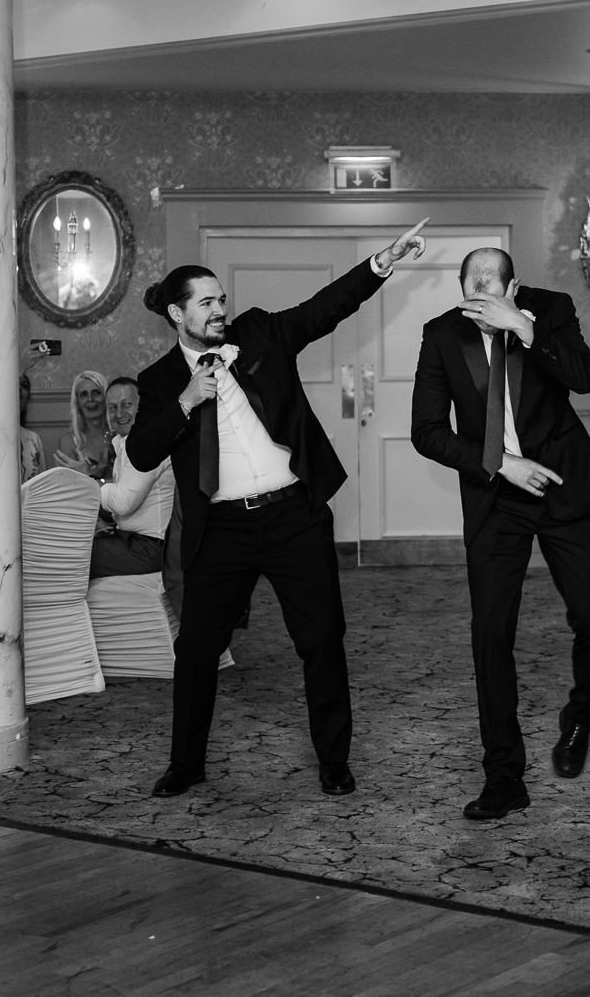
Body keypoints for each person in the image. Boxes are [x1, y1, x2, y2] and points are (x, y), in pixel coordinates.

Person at [130, 218, 430, 800]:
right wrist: (187, 403)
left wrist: (381, 263)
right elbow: (142, 452)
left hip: (293, 517)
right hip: (222, 529)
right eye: (207, 302)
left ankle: (334, 761)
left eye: (222, 298)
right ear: (176, 314)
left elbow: (325, 309)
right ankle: (186, 763)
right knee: (194, 649)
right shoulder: (159, 381)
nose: (220, 308)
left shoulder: (261, 334)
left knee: (320, 639)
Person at [410, 247, 590, 821]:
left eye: (492, 289)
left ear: (514, 286)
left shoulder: (549, 310)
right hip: (496, 495)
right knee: (490, 634)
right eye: (471, 289)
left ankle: (578, 719)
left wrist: (522, 327)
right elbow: (426, 431)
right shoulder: (442, 334)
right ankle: (504, 776)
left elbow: (584, 377)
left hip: (562, 484)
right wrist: (500, 462)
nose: (480, 299)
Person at [92, 376, 177, 604]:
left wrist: (91, 485)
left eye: (127, 404)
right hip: (134, 541)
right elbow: (116, 513)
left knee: (72, 556)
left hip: (151, 548)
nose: (119, 413)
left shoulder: (147, 442)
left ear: (143, 407)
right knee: (76, 545)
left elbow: (123, 503)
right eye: (112, 408)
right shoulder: (127, 444)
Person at [54, 370, 114, 478]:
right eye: (83, 395)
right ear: (77, 403)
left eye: (96, 393)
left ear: (107, 397)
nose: (90, 399)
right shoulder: (69, 441)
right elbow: (70, 486)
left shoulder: (119, 435)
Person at [18, 373, 45, 484]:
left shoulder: (33, 439)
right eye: (13, 383)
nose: (19, 389)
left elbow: (43, 484)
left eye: (24, 386)